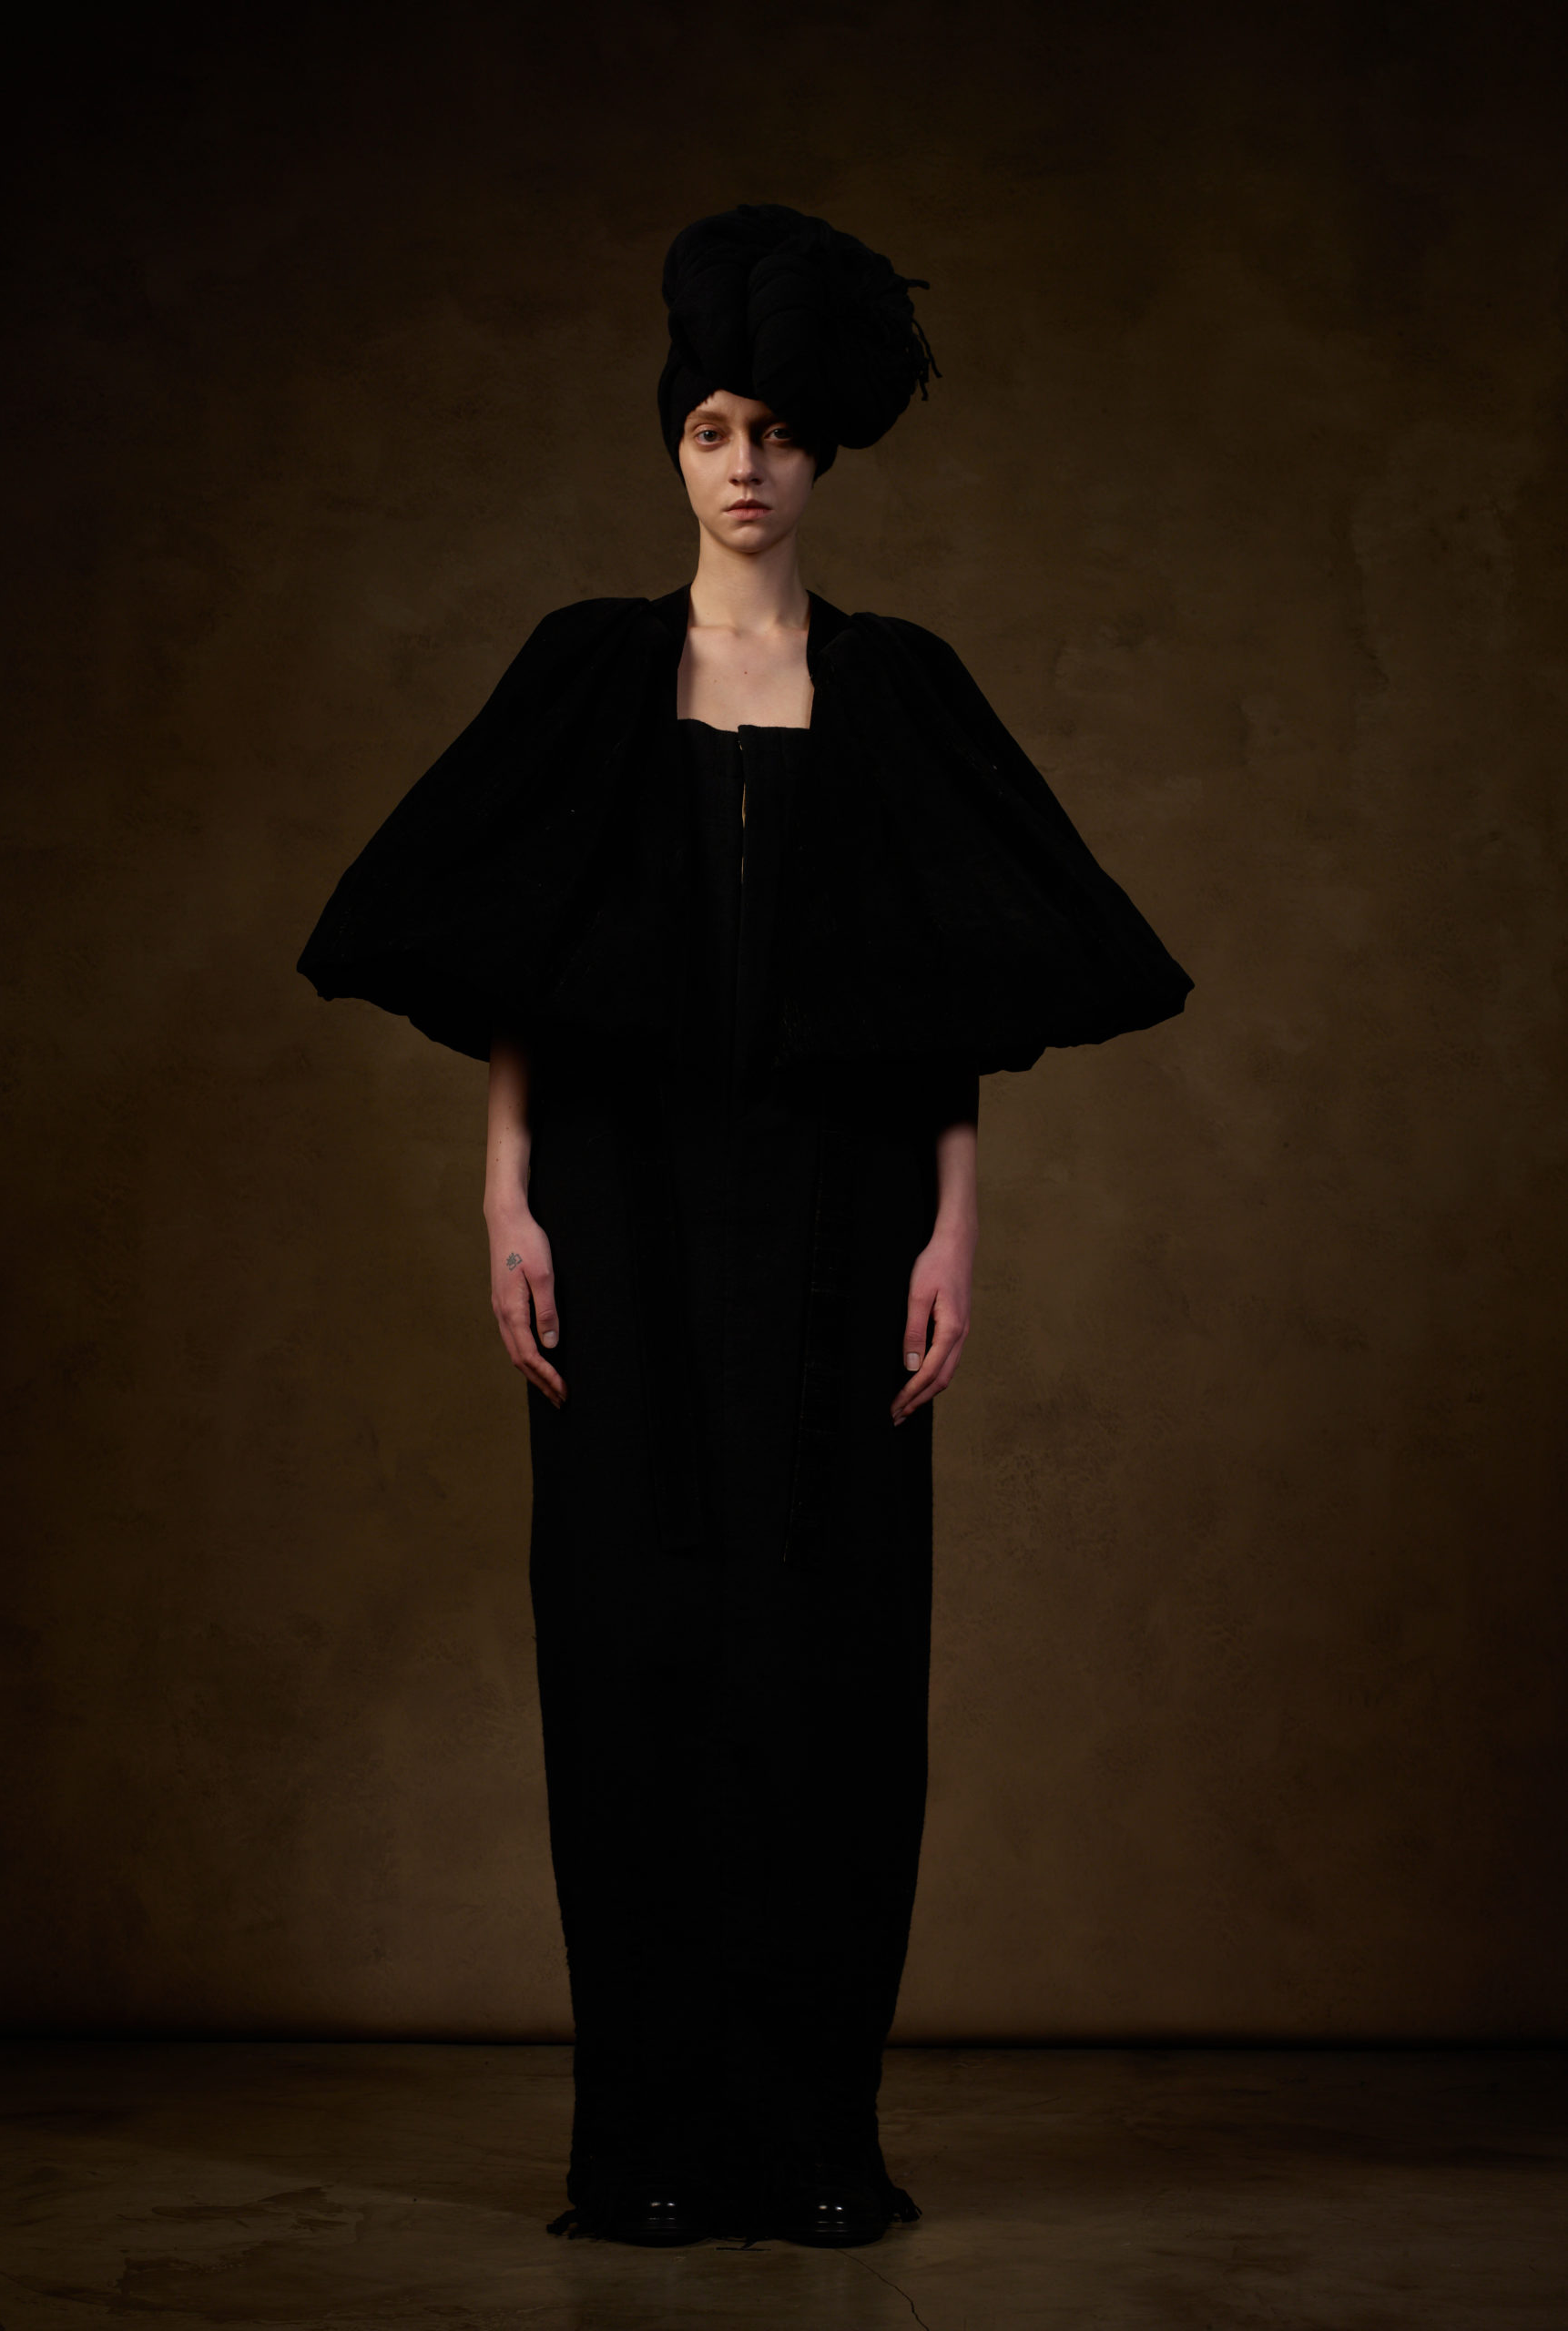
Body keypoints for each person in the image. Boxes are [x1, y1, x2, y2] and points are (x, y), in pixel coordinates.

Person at [298, 202, 1193, 2249]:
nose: (744, 464)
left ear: (824, 451)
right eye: (711, 426)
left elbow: (952, 997)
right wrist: (503, 1195)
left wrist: (956, 1230)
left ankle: (812, 2146)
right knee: (629, 1651)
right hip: (612, 1212)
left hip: (845, 1220)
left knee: (833, 1660)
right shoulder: (589, 675)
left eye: (777, 431)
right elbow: (518, 966)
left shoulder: (901, 693)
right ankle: (643, 2148)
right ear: (672, 442)